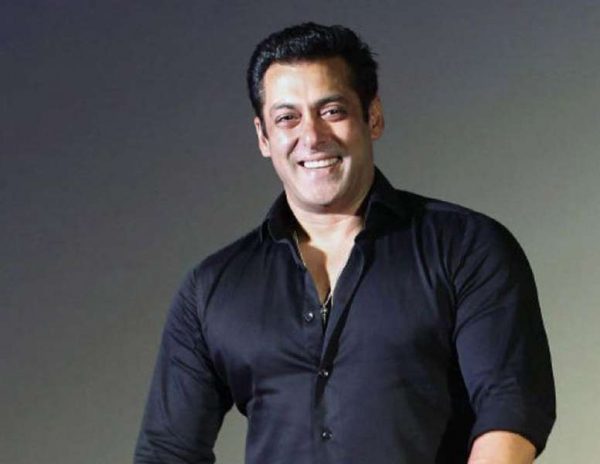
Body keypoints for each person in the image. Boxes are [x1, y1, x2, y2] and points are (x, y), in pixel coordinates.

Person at [134, 22, 555, 464]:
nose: (312, 137)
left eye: (332, 111)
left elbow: (511, 405)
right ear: (263, 137)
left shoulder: (466, 247)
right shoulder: (211, 289)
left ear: (373, 117)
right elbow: (168, 451)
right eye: (287, 118)